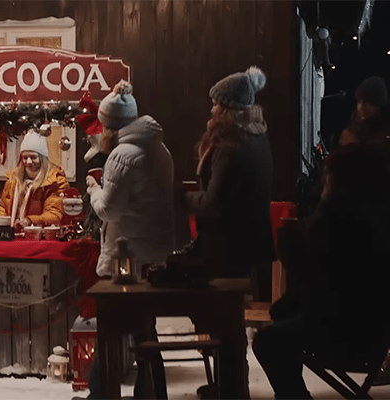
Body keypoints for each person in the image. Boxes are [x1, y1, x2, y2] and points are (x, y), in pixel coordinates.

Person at [253, 144, 390, 399]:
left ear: (341, 180)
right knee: (281, 316)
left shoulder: (338, 215)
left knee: (266, 341)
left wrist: (289, 247)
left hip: (345, 332)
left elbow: (316, 275)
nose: (324, 180)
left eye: (329, 174)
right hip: (375, 330)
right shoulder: (375, 213)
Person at [82, 80, 175, 400]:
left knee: (110, 328)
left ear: (111, 126)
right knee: (145, 331)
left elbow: (110, 209)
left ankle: (101, 394)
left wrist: (94, 191)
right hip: (155, 252)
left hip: (128, 256)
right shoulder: (159, 148)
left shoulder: (121, 154)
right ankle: (151, 392)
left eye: (103, 125)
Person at [181, 66, 275, 298]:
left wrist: (181, 197)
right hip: (253, 250)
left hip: (229, 253)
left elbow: (215, 202)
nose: (211, 110)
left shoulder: (231, 145)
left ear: (226, 110)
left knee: (224, 322)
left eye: (215, 104)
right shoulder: (257, 136)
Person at [0, 131, 69, 228]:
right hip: (13, 234)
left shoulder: (56, 181)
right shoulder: (13, 179)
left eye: (33, 157)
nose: (28, 162)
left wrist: (30, 220)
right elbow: (2, 208)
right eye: (25, 158)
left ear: (42, 158)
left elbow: (54, 214)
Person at [340, 76, 390, 147]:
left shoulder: (384, 137)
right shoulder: (351, 133)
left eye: (367, 101)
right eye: (360, 101)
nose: (362, 106)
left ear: (378, 106)